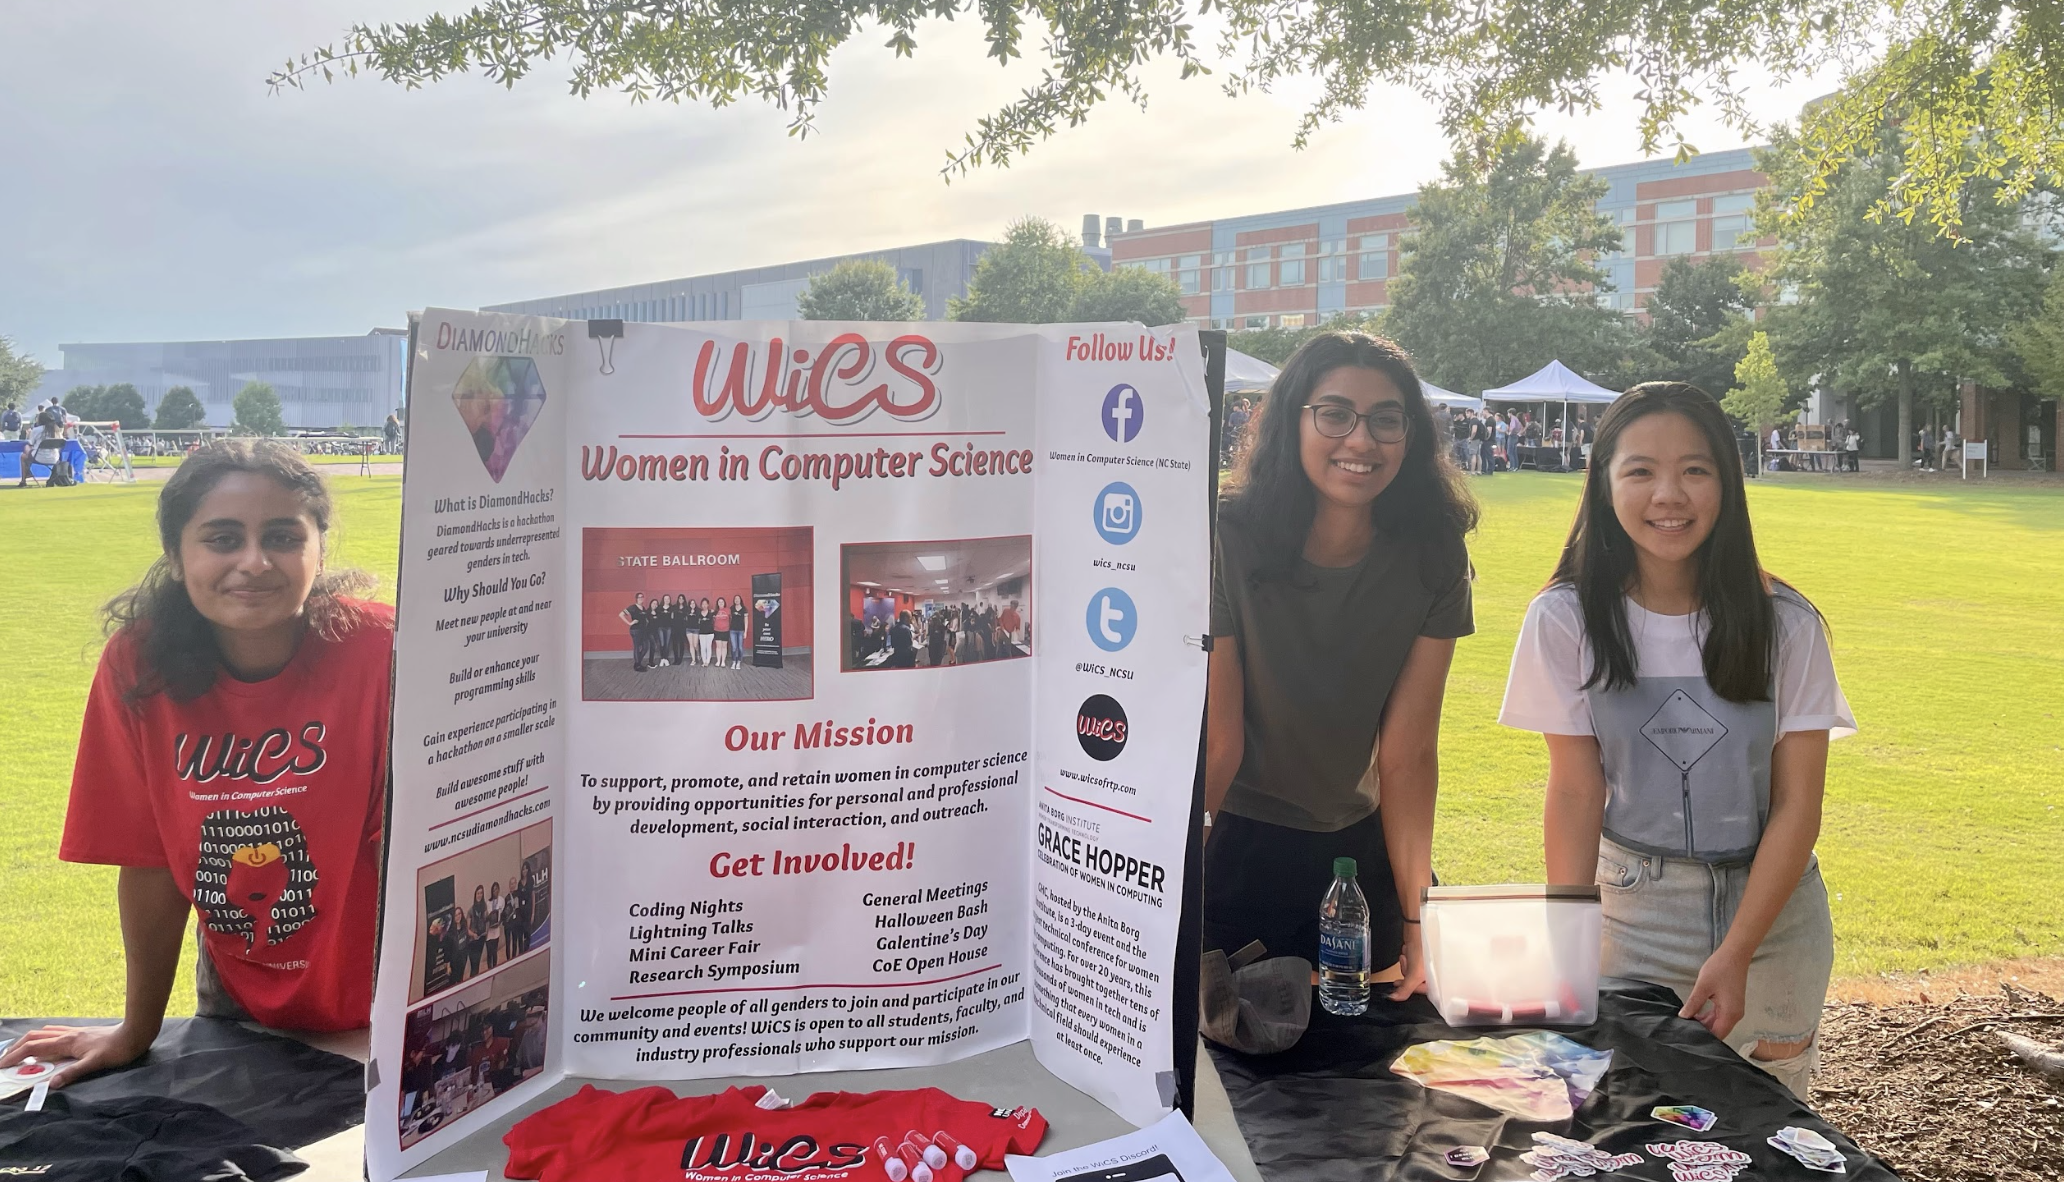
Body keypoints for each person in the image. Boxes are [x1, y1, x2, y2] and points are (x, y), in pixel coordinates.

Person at [1499, 382, 1854, 1100]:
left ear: (1727, 482)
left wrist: (1738, 950)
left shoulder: (1788, 624)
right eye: (1640, 471)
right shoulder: (1563, 620)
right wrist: (1565, 944)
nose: (1669, 494)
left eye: (1696, 469)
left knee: (1766, 1134)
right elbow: (1574, 789)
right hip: (1632, 914)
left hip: (1775, 920)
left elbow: (1797, 807)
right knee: (1621, 1125)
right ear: (1603, 484)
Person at [0, 441, 394, 1088]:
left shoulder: (385, 651)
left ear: (319, 549)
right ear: (178, 556)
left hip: (391, 997)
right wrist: (137, 1030)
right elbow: (149, 858)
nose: (254, 562)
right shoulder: (140, 667)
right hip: (239, 998)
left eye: (282, 536)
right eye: (221, 538)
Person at [1205, 331, 1477, 994]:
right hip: (1234, 841)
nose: (1361, 440)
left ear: (1411, 435)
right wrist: (1168, 898)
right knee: (1225, 1082)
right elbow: (1221, 743)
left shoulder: (1435, 556)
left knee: (1368, 1064)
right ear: (1294, 419)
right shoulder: (1222, 537)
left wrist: (1417, 918)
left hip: (1358, 854)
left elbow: (1408, 756)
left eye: (1386, 419)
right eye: (1334, 414)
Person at [621, 592, 650, 672]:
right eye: (639, 597)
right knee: (637, 647)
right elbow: (621, 614)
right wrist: (629, 623)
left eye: (642, 597)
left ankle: (637, 663)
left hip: (643, 630)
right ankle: (637, 665)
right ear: (636, 599)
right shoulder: (633, 607)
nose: (641, 598)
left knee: (645, 647)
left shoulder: (643, 608)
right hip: (636, 630)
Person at [484, 881, 503, 971]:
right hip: (489, 931)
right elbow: (486, 917)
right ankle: (489, 969)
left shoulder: (501, 900)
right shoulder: (488, 903)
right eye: (493, 890)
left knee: (494, 951)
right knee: (489, 953)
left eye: (496, 889)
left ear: (498, 890)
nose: (495, 891)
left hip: (496, 930)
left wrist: (499, 921)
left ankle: (495, 969)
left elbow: (502, 914)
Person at [712, 595, 731, 669]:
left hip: (725, 630)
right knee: (718, 647)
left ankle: (723, 661)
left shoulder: (728, 610)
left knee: (724, 646)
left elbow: (730, 620)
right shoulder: (715, 611)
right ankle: (718, 661)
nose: (720, 603)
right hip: (717, 630)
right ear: (717, 603)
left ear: (724, 603)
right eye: (719, 602)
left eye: (722, 602)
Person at [730, 594, 747, 668]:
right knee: (734, 647)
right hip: (732, 630)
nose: (737, 600)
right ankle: (734, 661)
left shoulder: (744, 609)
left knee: (740, 647)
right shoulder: (731, 608)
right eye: (735, 599)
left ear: (740, 600)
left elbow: (746, 621)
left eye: (738, 599)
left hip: (741, 630)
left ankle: (739, 661)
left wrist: (745, 632)